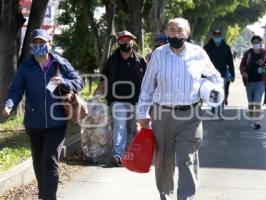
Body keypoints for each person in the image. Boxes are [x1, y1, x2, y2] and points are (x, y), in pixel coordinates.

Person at [137, 17, 223, 200]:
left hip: (191, 115)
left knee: (187, 159)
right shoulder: (159, 54)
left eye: (180, 30)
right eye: (172, 30)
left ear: (188, 33)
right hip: (162, 115)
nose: (176, 34)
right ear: (167, 32)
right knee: (164, 161)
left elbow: (216, 77)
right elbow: (147, 86)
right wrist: (142, 113)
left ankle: (186, 198)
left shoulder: (198, 53)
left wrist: (212, 91)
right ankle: (165, 196)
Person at [2, 29, 84, 200]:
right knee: (38, 162)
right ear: (32, 46)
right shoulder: (26, 67)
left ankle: (49, 197)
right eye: (36, 44)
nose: (39, 46)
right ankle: (43, 194)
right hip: (34, 122)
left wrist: (64, 82)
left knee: (49, 159)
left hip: (57, 121)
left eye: (42, 43)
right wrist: (9, 105)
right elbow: (16, 90)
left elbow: (79, 82)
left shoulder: (60, 63)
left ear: (50, 44)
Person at [93, 30, 147, 166]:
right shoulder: (112, 60)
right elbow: (104, 80)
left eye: (128, 39)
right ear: (118, 42)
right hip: (117, 101)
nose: (125, 42)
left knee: (137, 128)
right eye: (122, 40)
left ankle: (135, 154)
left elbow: (148, 80)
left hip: (137, 100)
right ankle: (118, 154)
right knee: (119, 126)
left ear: (133, 41)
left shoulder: (140, 60)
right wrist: (96, 95)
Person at [240, 35, 266, 129]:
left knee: (257, 102)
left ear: (260, 43)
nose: (256, 44)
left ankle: (257, 121)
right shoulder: (248, 53)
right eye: (254, 42)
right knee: (251, 103)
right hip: (249, 82)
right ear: (252, 43)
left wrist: (263, 65)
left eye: (257, 42)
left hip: (260, 82)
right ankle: (251, 117)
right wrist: (243, 73)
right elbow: (242, 65)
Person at [204, 29, 235, 113]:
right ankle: (214, 108)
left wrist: (232, 74)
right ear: (213, 37)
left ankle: (220, 109)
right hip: (210, 74)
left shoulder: (226, 47)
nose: (217, 38)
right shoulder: (207, 47)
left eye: (218, 36)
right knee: (213, 91)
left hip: (223, 73)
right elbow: (202, 61)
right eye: (215, 36)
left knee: (222, 91)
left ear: (221, 37)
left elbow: (230, 62)